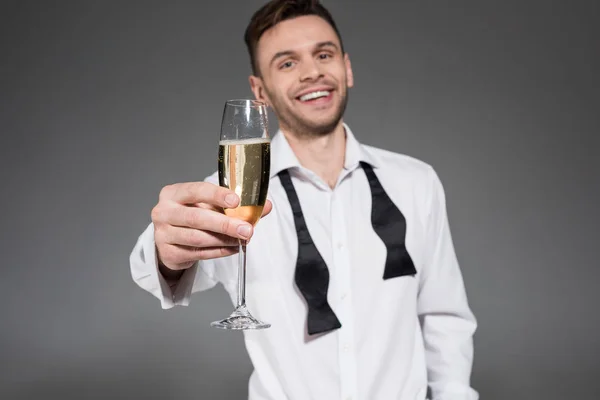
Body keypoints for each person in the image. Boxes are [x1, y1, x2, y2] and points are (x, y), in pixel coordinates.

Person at [129, 0, 478, 399]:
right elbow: (157, 271)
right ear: (260, 91)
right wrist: (166, 252)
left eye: (323, 54)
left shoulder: (416, 182)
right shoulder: (230, 197)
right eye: (287, 63)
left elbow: (444, 317)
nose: (313, 72)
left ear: (346, 68)